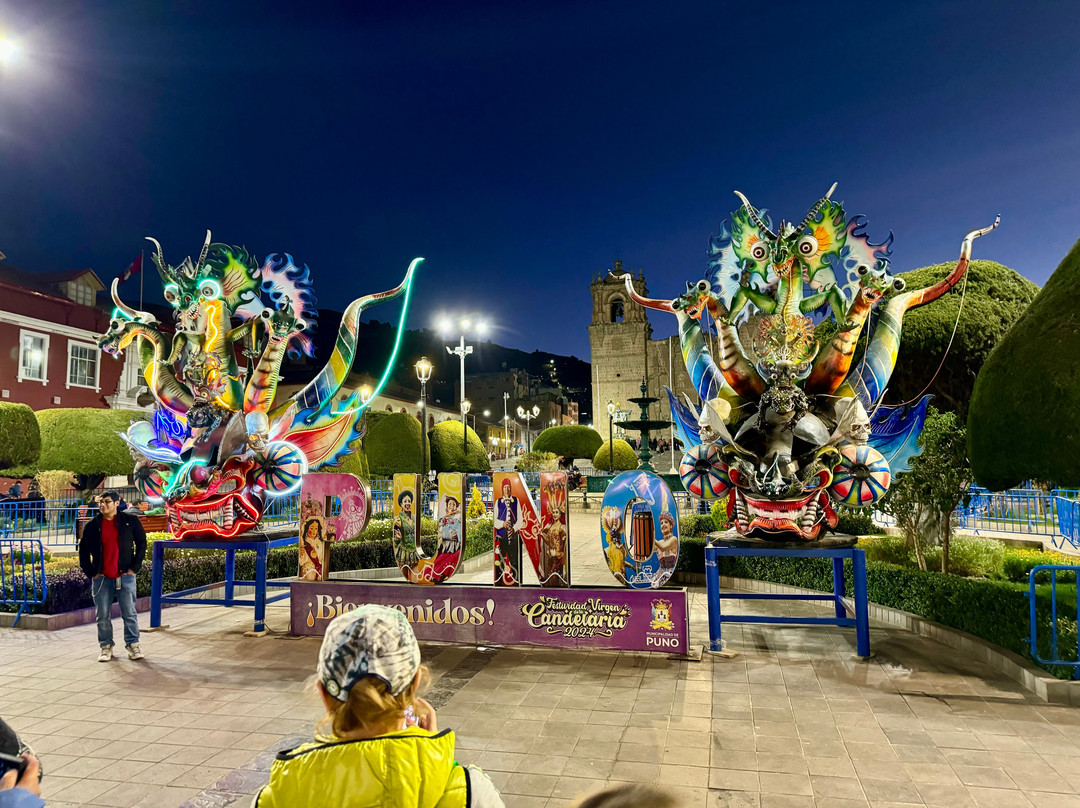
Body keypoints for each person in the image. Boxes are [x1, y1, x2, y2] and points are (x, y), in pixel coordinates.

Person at [251, 605, 504, 807]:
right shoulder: (470, 792)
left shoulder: (277, 796)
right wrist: (430, 755)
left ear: (323, 693)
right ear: (415, 682)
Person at [78, 490, 147, 662]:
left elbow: (141, 543)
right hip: (102, 577)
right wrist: (91, 572)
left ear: (117, 503)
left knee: (129, 613)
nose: (102, 505)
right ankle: (105, 646)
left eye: (107, 501)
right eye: (100, 502)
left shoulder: (130, 521)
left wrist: (134, 567)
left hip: (125, 575)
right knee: (102, 615)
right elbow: (83, 550)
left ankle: (133, 645)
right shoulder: (93, 525)